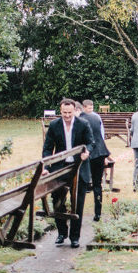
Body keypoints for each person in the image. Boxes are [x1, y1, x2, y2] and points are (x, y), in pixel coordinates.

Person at [42, 98, 94, 248]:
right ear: (60, 111)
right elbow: (47, 148)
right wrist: (46, 167)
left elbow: (91, 142)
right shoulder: (54, 125)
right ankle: (62, 232)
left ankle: (75, 237)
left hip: (79, 167)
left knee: (78, 202)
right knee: (57, 200)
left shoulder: (83, 124)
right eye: (64, 113)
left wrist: (87, 152)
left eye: (69, 113)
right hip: (60, 167)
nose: (67, 115)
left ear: (74, 111)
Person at [81, 99, 110, 221]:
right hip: (100, 152)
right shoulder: (97, 118)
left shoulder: (80, 119)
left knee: (83, 183)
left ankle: (79, 212)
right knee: (97, 184)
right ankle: (98, 213)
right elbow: (101, 135)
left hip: (88, 153)